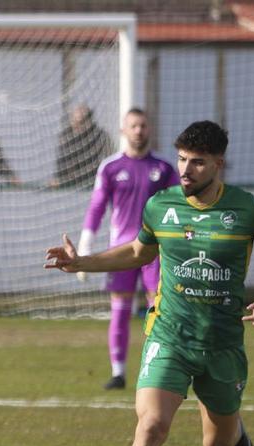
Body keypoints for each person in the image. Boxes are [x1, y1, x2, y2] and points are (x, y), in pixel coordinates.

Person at [45, 120, 254, 446]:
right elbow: (136, 252)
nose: (185, 170)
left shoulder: (246, 210)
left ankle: (236, 435)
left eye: (197, 162)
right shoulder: (161, 206)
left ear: (219, 164)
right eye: (182, 160)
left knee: (216, 445)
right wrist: (81, 262)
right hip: (169, 336)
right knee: (151, 426)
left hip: (221, 344)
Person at [77, 108, 178, 390]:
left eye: (143, 125)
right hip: (121, 252)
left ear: (150, 129)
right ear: (123, 130)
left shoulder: (164, 168)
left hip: (154, 252)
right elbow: (97, 206)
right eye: (133, 126)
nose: (138, 131)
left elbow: (178, 206)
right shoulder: (110, 167)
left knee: (158, 311)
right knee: (120, 310)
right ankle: (118, 372)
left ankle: (155, 368)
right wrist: (86, 243)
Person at [52, 103, 113, 189]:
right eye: (74, 121)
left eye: (81, 122)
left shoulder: (100, 136)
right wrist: (58, 178)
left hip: (93, 181)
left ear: (89, 121)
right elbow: (62, 161)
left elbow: (110, 159)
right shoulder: (66, 136)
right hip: (69, 181)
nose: (76, 125)